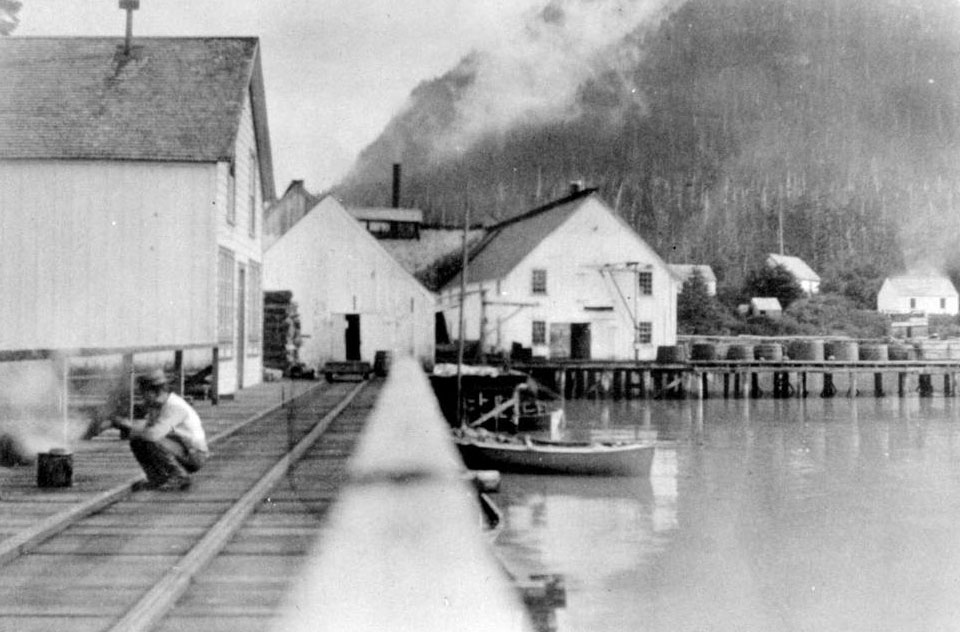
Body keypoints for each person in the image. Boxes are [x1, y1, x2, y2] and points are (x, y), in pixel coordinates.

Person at [112, 369, 209, 491]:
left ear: (154, 391)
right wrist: (124, 425)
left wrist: (129, 426)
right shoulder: (158, 406)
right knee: (137, 441)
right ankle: (157, 479)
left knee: (151, 439)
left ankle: (179, 477)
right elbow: (147, 430)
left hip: (195, 455)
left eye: (143, 393)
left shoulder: (174, 407)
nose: (142, 397)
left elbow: (153, 435)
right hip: (181, 448)